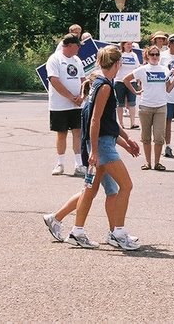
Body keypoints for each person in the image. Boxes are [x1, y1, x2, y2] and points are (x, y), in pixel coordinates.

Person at [65, 45, 142, 250]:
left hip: (101, 143)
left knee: (90, 190)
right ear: (117, 63)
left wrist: (127, 139)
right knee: (126, 186)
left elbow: (108, 121)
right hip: (103, 146)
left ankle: (77, 231)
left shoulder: (100, 82)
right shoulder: (105, 86)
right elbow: (95, 120)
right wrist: (95, 150)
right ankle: (118, 232)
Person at [123, 44, 174, 170]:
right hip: (145, 107)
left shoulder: (164, 70)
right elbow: (126, 79)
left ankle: (157, 163)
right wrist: (135, 92)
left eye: (157, 54)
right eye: (152, 54)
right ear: (147, 56)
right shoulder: (142, 69)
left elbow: (168, 89)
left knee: (159, 137)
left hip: (161, 107)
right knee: (146, 137)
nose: (154, 56)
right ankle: (148, 162)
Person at [45, 34, 86, 177]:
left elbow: (83, 79)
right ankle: (60, 163)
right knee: (61, 133)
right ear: (69, 45)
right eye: (77, 45)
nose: (79, 48)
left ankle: (79, 164)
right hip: (60, 105)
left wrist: (82, 95)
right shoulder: (55, 59)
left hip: (77, 105)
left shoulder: (77, 60)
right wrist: (70, 97)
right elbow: (54, 81)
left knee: (78, 133)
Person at [115, 41, 141, 130]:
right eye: (128, 44)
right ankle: (120, 123)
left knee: (132, 102)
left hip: (132, 81)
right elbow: (116, 67)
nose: (130, 46)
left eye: (131, 44)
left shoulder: (134, 55)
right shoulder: (119, 54)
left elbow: (137, 68)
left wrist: (138, 81)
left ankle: (133, 123)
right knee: (120, 103)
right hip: (120, 81)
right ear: (123, 45)